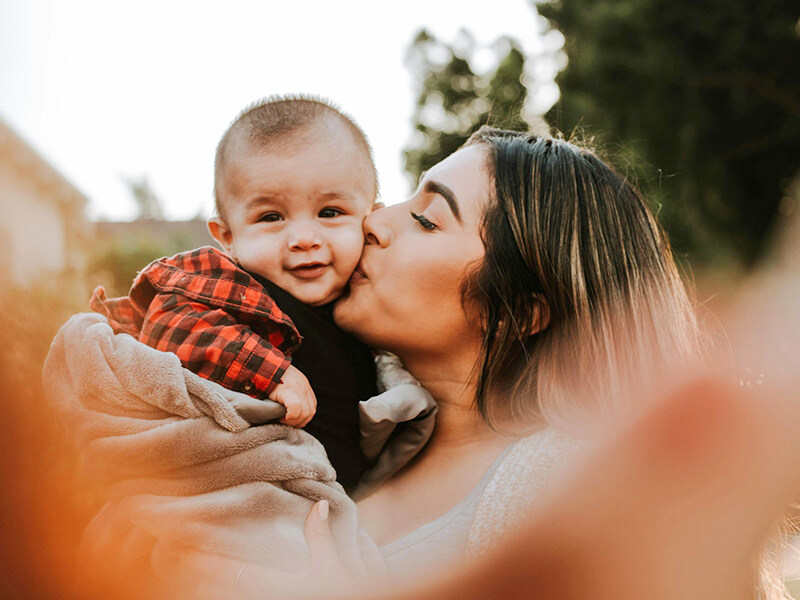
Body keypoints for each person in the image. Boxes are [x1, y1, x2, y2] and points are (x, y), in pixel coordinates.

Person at [184, 125, 788, 600]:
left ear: (521, 310)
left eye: (426, 219)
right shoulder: (372, 435)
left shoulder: (553, 484)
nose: (373, 222)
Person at [88, 95, 383, 492]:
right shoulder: (233, 284)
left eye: (330, 212)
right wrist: (269, 372)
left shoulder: (373, 300)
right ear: (227, 237)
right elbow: (172, 323)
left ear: (372, 218)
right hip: (242, 495)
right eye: (270, 217)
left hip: (341, 506)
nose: (303, 239)